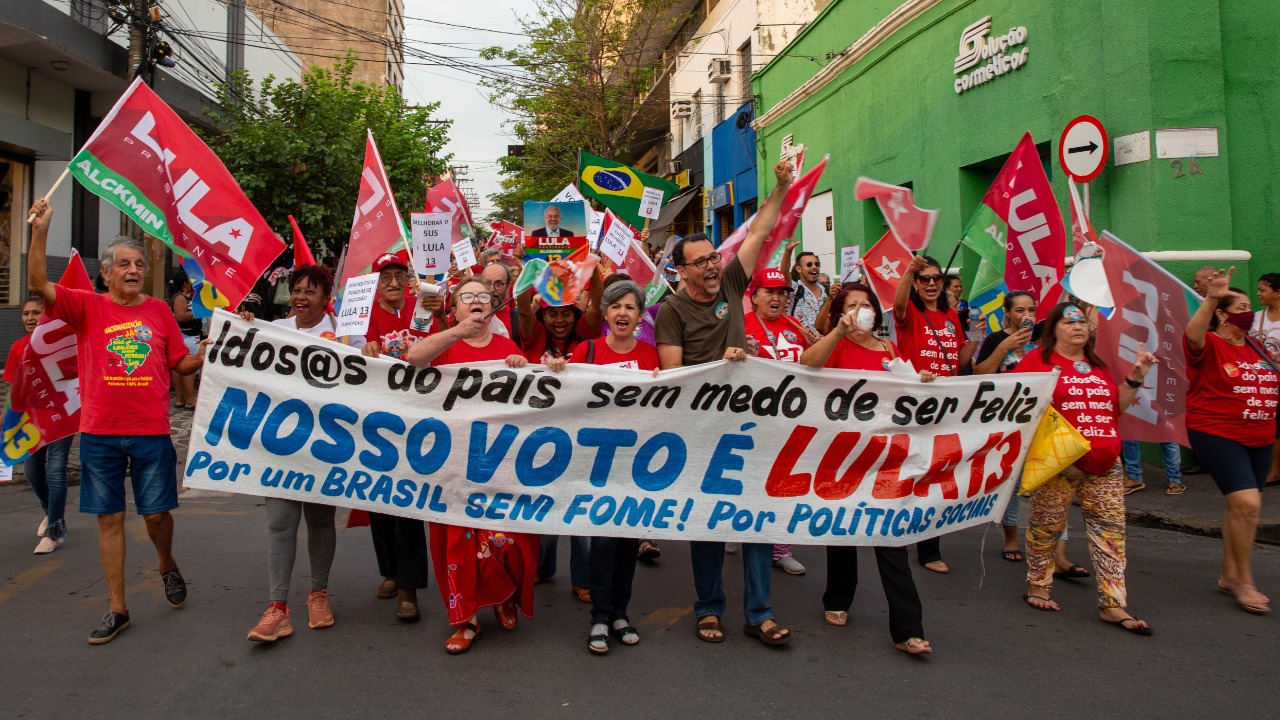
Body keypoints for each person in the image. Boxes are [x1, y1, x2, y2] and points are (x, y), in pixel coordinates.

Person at [27, 198, 206, 644]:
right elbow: (35, 283)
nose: (132, 270)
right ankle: (118, 608)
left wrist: (205, 356)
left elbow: (179, 366)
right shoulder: (87, 307)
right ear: (106, 273)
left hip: (150, 433)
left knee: (157, 516)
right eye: (123, 264)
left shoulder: (161, 312)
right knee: (109, 520)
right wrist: (39, 230)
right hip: (100, 434)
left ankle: (165, 562)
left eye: (139, 264)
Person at [654, 160, 794, 646]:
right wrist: (721, 363)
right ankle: (709, 608)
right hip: (701, 432)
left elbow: (759, 230)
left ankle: (760, 612)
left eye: (715, 257)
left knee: (757, 517)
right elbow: (672, 378)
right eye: (702, 262)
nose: (713, 267)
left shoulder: (734, 284)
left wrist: (779, 187)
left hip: (750, 426)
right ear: (682, 270)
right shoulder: (671, 312)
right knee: (709, 524)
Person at [800, 282, 935, 654]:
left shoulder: (889, 348)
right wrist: (839, 331)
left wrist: (923, 384)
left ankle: (908, 629)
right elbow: (807, 364)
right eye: (853, 305)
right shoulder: (838, 344)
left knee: (890, 540)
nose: (862, 310)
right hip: (843, 455)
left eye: (866, 304)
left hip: (885, 458)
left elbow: (907, 387)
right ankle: (838, 598)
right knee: (843, 535)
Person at [405, 277, 539, 653]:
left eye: (484, 296)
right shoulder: (446, 345)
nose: (478, 301)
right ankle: (467, 620)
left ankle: (504, 596)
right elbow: (414, 358)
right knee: (458, 544)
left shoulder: (506, 346)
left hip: (499, 464)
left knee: (504, 538)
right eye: (468, 297)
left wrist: (519, 365)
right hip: (452, 466)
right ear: (455, 308)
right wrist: (456, 333)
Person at [1010, 302, 1157, 635]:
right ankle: (1039, 585)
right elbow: (1016, 403)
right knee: (1046, 528)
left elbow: (1116, 408)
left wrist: (1136, 377)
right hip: (1058, 464)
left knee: (1110, 535)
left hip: (1106, 464)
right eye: (1068, 321)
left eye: (1081, 322)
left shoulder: (1097, 365)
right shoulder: (1038, 362)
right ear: (1054, 331)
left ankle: (1113, 603)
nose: (1077, 326)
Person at [546, 279, 658, 654]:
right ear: (605, 313)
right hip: (594, 464)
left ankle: (620, 613)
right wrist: (560, 370)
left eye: (630, 307)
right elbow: (565, 396)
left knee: (627, 543)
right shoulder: (586, 350)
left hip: (634, 463)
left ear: (640, 316)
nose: (623, 312)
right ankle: (599, 615)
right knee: (603, 543)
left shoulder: (650, 356)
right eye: (616, 306)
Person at [241, 264, 340, 642]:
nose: (300, 297)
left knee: (319, 521)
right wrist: (243, 328)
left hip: (325, 447)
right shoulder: (273, 331)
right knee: (280, 524)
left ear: (325, 299)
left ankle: (318, 594)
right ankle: (277, 607)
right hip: (279, 446)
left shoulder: (344, 334)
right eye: (296, 290)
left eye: (309, 292)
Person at [1185, 269, 1277, 614]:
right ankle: (1243, 580)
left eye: (1250, 305)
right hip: (1217, 433)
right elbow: (1193, 334)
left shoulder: (1255, 346)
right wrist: (1212, 295)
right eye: (1240, 305)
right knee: (1248, 504)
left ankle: (1227, 574)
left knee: (1241, 507)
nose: (1249, 310)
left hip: (1260, 436)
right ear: (1222, 314)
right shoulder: (1209, 343)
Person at [515, 269, 602, 600]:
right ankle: (542, 568)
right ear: (544, 314)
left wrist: (591, 268)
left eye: (566, 312)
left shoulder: (584, 333)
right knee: (544, 507)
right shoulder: (534, 336)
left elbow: (597, 303)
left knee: (578, 512)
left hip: (582, 435)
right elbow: (523, 308)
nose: (560, 320)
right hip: (538, 436)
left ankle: (582, 579)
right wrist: (528, 272)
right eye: (553, 313)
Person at [893, 254, 980, 574]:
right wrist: (907, 271)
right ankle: (895, 531)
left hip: (945, 407)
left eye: (936, 279)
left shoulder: (951, 316)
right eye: (924, 279)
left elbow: (959, 361)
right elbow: (898, 303)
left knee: (937, 475)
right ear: (916, 283)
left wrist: (977, 337)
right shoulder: (911, 311)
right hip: (915, 405)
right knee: (909, 471)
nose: (930, 284)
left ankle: (930, 548)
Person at [359, 250, 434, 621]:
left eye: (398, 275)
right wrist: (362, 347)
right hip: (375, 419)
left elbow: (435, 344)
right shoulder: (361, 313)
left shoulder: (423, 308)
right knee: (378, 502)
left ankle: (409, 587)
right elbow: (346, 351)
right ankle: (389, 570)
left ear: (408, 279)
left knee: (408, 503)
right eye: (385, 275)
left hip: (416, 418)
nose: (393, 283)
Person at [743, 266, 821, 575]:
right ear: (755, 296)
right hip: (752, 422)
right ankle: (739, 530)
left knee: (783, 484)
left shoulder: (795, 325)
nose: (777, 298)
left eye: (782, 293)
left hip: (791, 420)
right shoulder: (742, 325)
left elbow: (813, 366)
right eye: (770, 292)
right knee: (750, 483)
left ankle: (780, 547)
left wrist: (817, 343)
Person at [5, 295, 75, 555]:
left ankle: (55, 529)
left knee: (56, 469)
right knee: (33, 472)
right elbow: (15, 387)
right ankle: (51, 512)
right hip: (31, 420)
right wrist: (6, 419)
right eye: (26, 314)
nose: (30, 318)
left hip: (62, 418)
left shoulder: (63, 344)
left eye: (36, 313)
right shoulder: (18, 347)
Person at [1252, 272, 1280, 485]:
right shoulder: (1257, 318)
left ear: (1278, 293)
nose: (1258, 294)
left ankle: (1275, 470)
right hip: (1261, 380)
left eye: (1263, 290)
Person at [778, 241, 828, 331]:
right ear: (798, 269)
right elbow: (784, 273)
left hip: (822, 342)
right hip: (800, 341)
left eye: (817, 264)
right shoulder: (795, 289)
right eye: (809, 264)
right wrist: (788, 251)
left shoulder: (827, 291)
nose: (814, 267)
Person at [169, 272, 200, 409]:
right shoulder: (181, 297)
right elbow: (180, 316)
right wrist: (199, 310)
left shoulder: (182, 297)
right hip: (187, 336)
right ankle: (189, 400)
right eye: (189, 281)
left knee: (179, 369)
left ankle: (181, 399)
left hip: (186, 336)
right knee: (188, 369)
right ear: (184, 284)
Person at [481, 262, 520, 344]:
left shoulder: (516, 321)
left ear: (508, 287)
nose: (491, 289)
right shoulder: (467, 315)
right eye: (487, 283)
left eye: (498, 284)